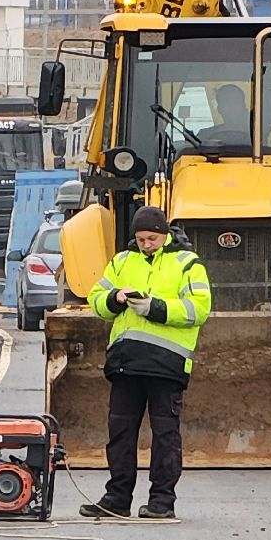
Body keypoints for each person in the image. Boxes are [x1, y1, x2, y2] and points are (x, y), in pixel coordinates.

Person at [80, 205, 212, 520]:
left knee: (165, 435)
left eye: (151, 238)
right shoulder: (123, 262)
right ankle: (117, 498)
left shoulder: (187, 264)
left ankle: (161, 502)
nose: (146, 244)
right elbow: (96, 299)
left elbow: (199, 309)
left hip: (166, 365)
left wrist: (155, 308)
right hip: (127, 363)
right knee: (120, 431)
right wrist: (115, 299)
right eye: (141, 239)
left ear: (164, 235)